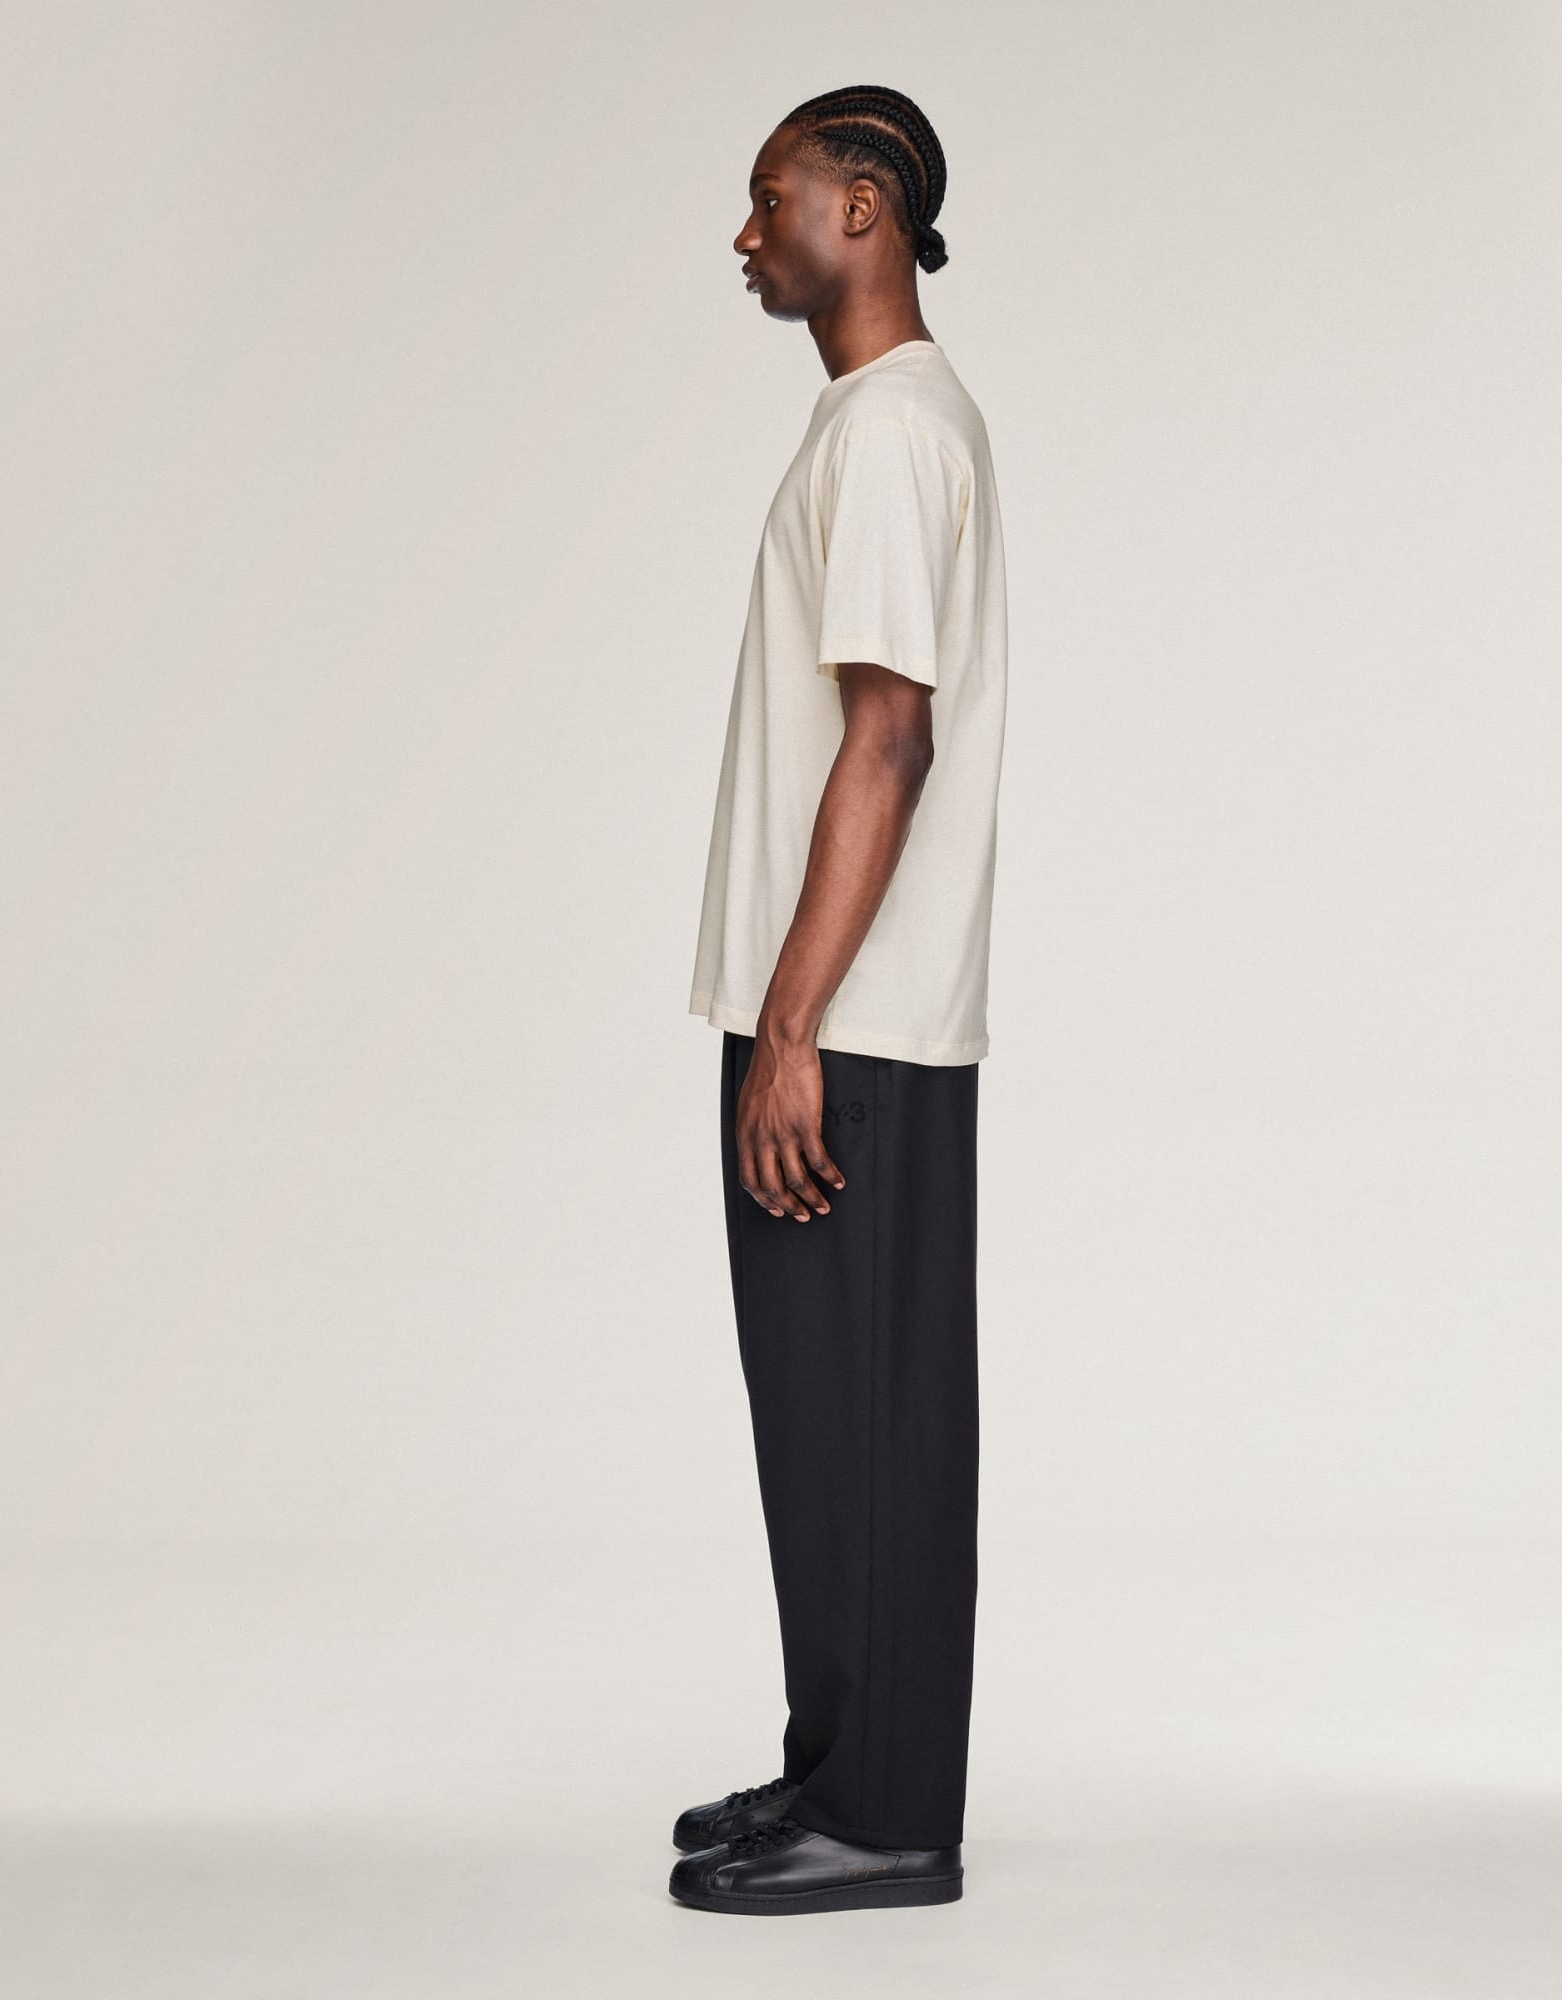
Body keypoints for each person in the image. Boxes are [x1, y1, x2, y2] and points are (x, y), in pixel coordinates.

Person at [674, 82, 1009, 1917]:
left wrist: (791, 1029)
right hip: (834, 1017)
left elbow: (890, 737)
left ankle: (888, 1817)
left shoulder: (890, 435)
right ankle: (838, 1770)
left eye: (770, 198)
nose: (747, 236)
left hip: (851, 1032)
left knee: (865, 1422)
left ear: (861, 208)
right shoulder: (878, 425)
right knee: (825, 1421)